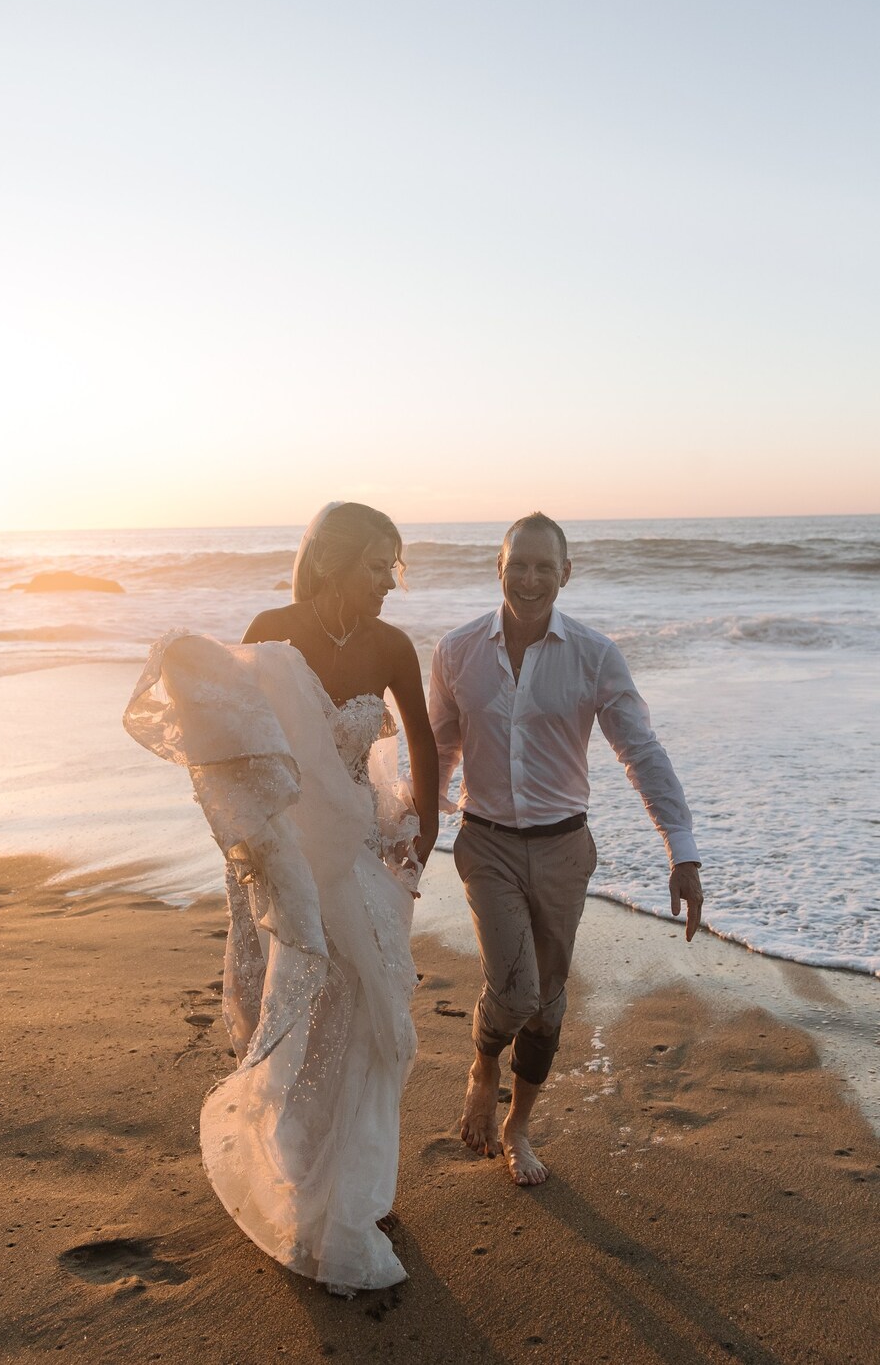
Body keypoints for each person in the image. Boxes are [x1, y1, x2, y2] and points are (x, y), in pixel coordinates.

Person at [124, 502, 438, 1294]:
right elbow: (237, 740)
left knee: (374, 1013)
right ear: (334, 561)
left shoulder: (392, 645)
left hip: (366, 852)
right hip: (289, 860)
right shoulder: (271, 624)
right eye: (377, 568)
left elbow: (423, 740)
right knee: (297, 1004)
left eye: (395, 570)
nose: (388, 586)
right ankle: (298, 1163)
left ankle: (356, 1184)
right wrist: (256, 846)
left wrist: (425, 826)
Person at [428, 512, 703, 1187]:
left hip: (563, 849)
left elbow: (639, 750)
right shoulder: (457, 650)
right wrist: (412, 835)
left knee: (549, 1007)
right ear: (498, 567)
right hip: (486, 842)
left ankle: (519, 1127)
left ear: (565, 574)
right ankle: (483, 1062)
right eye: (517, 564)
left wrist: (683, 850)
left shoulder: (594, 655)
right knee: (516, 991)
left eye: (543, 567)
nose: (529, 579)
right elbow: (440, 749)